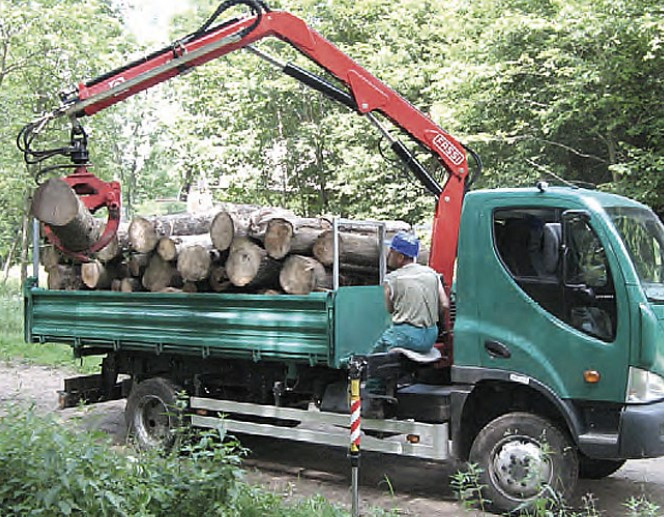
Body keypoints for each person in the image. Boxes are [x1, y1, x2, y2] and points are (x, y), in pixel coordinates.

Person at [364, 232, 449, 397]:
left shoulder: (392, 279)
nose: (389, 254)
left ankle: (374, 396)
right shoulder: (432, 274)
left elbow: (389, 309)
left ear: (400, 256)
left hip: (407, 335)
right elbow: (445, 304)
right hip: (430, 335)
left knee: (374, 358)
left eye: (392, 251)